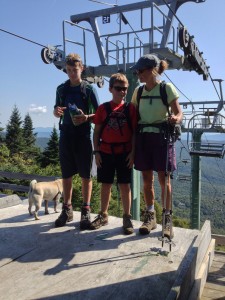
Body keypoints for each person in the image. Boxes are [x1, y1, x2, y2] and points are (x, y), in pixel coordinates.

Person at [130, 54, 183, 238]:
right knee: (147, 180)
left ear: (152, 70)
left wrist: (176, 119)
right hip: (144, 138)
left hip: (162, 138)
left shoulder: (165, 88)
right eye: (137, 71)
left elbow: (178, 112)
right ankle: (150, 216)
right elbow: (134, 116)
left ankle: (167, 220)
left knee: (164, 180)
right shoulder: (139, 91)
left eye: (141, 71)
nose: (138, 74)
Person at [53, 53, 99, 229]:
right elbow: (56, 110)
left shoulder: (89, 90)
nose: (72, 73)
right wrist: (57, 112)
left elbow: (99, 115)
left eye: (75, 70)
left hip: (83, 137)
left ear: (82, 69)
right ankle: (67, 209)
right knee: (66, 175)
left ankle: (86, 211)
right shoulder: (61, 89)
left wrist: (86, 117)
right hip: (66, 135)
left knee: (86, 175)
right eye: (70, 70)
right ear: (66, 70)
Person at [90, 73, 137, 235]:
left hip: (124, 153)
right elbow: (96, 133)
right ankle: (103, 215)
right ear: (110, 89)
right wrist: (96, 152)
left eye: (125, 89)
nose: (122, 92)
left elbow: (135, 133)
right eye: (118, 88)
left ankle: (127, 217)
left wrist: (133, 153)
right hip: (105, 152)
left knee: (125, 185)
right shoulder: (103, 108)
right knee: (106, 184)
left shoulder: (130, 108)